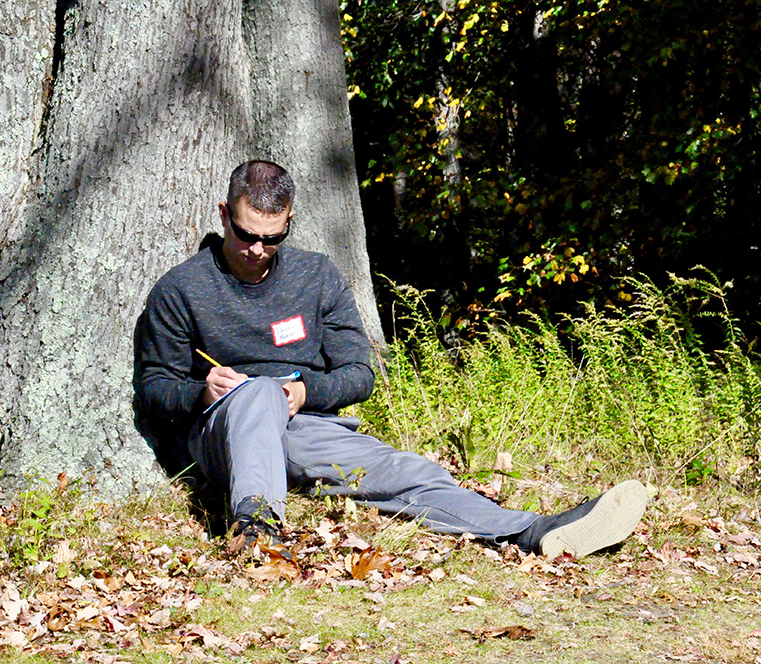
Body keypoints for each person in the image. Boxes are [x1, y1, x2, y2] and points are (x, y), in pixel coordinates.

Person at [133, 160, 647, 559]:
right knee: (259, 392)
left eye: (273, 237)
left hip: (304, 427)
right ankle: (257, 532)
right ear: (225, 215)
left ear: (289, 222)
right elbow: (155, 389)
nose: (258, 250)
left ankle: (530, 529)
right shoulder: (182, 289)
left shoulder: (317, 276)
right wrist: (202, 392)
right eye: (246, 234)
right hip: (225, 432)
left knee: (405, 472)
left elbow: (359, 373)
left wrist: (308, 393)